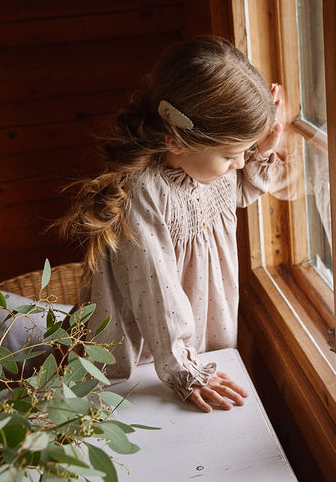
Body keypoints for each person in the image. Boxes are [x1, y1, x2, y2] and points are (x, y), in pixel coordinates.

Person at [59, 35, 283, 413]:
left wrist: (262, 151)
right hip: (141, 359)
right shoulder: (143, 191)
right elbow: (154, 288)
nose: (240, 164)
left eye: (245, 151)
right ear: (176, 141)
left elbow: (235, 195)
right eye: (232, 154)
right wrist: (184, 371)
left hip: (191, 348)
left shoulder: (210, 167)